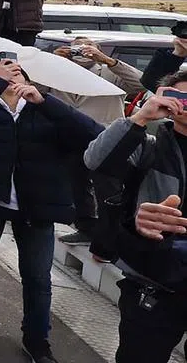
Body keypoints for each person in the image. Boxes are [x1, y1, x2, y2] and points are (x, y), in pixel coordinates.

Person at [0, 57, 102, 363]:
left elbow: (91, 133)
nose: (10, 79)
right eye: (3, 74)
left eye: (16, 73)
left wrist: (45, 102)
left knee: (38, 277)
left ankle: (37, 340)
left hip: (37, 206)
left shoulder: (44, 108)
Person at [83, 76, 187, 363]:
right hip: (152, 281)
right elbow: (96, 161)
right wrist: (140, 117)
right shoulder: (149, 144)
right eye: (181, 98)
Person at [48, 38, 145, 254]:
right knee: (77, 183)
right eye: (76, 47)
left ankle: (110, 235)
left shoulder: (110, 73)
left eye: (86, 47)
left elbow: (141, 84)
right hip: (71, 137)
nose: (81, 51)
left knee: (107, 188)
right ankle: (86, 227)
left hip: (106, 137)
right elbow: (32, 89)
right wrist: (51, 61)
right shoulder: (55, 72)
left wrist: (108, 61)